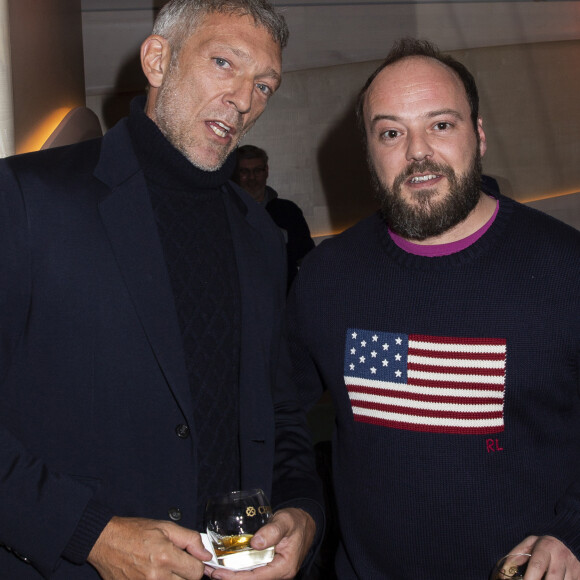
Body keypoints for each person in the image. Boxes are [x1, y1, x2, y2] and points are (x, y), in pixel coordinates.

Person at [0, 0, 323, 578]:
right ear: (157, 59)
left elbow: (280, 410)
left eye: (265, 85)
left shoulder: (259, 238)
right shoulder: (27, 200)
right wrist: (88, 534)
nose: (245, 99)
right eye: (225, 63)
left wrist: (302, 511)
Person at [285, 37, 580, 579]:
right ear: (370, 152)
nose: (417, 151)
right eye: (391, 132)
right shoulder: (328, 279)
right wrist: (300, 511)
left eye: (440, 125)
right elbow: (278, 420)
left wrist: (574, 535)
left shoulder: (567, 270)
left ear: (480, 134)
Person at [233, 145, 315, 288]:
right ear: (235, 175)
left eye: (257, 170)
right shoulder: (227, 211)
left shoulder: (289, 211)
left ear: (266, 171)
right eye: (244, 171)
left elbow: (306, 259)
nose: (252, 177)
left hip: (284, 297)